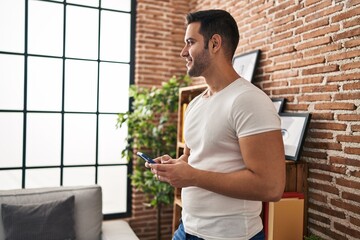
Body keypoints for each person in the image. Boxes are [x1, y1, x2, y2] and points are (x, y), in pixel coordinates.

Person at [148, 9, 286, 240]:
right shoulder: (194, 105)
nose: (183, 52)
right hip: (187, 229)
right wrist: (175, 167)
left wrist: (191, 176)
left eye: (190, 42)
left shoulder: (249, 101)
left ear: (214, 44)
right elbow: (193, 158)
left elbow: (271, 187)